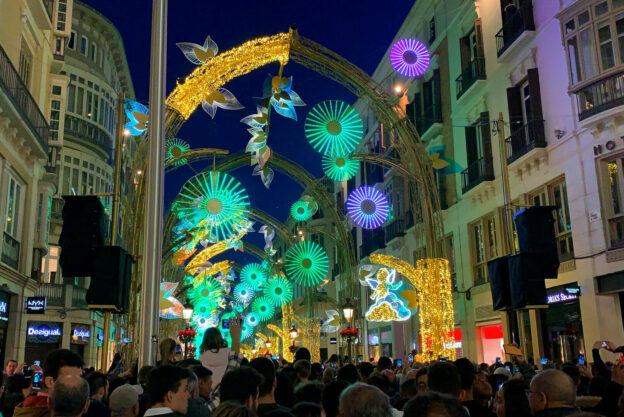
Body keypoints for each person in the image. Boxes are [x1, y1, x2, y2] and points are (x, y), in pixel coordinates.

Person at [14, 349, 83, 417]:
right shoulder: (43, 409)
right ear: (50, 382)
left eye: (80, 379)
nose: (79, 386)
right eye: (71, 380)